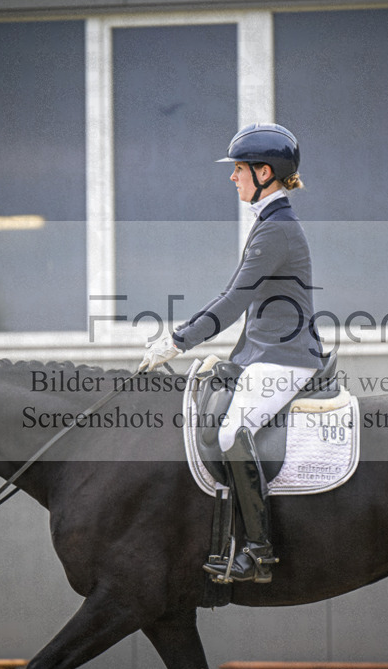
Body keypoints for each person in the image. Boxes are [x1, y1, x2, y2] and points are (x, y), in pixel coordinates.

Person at [139, 123, 325, 583]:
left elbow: (234, 300)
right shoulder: (269, 223)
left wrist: (178, 340)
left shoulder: (276, 231)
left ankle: (259, 551)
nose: (232, 177)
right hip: (264, 353)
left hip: (286, 358)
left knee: (230, 433)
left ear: (264, 172)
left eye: (239, 169)